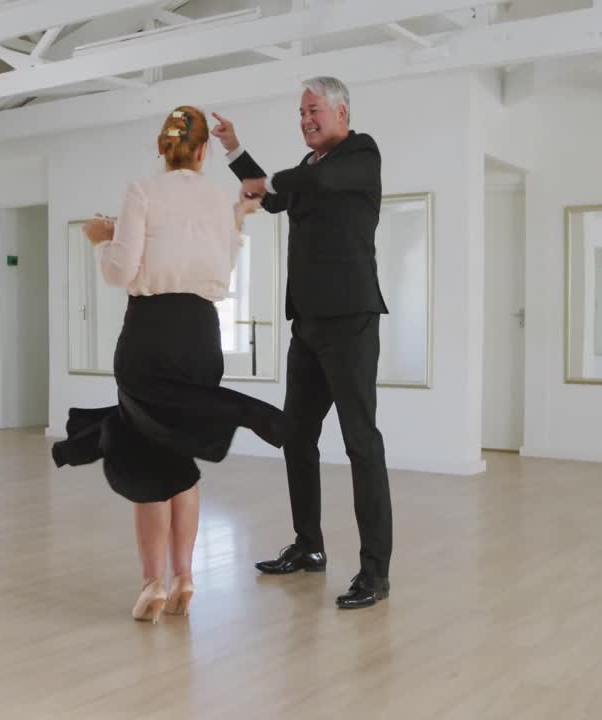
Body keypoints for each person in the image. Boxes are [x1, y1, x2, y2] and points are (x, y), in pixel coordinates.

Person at [51, 106, 287, 623]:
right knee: (181, 458)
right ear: (203, 150)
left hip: (149, 336)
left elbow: (120, 271)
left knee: (145, 457)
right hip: (201, 338)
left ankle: (152, 584)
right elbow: (222, 269)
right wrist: (239, 216)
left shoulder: (143, 189)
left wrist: (100, 238)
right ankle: (185, 575)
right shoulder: (215, 199)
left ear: (162, 147)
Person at [211, 77, 393, 610]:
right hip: (308, 323)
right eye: (301, 113)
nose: (306, 119)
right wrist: (234, 150)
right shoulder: (309, 171)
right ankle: (309, 547)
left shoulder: (360, 154)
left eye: (313, 110)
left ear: (341, 111)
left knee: (361, 443)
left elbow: (296, 187)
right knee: (296, 435)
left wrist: (271, 183)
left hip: (352, 320)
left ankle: (375, 572)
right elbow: (270, 199)